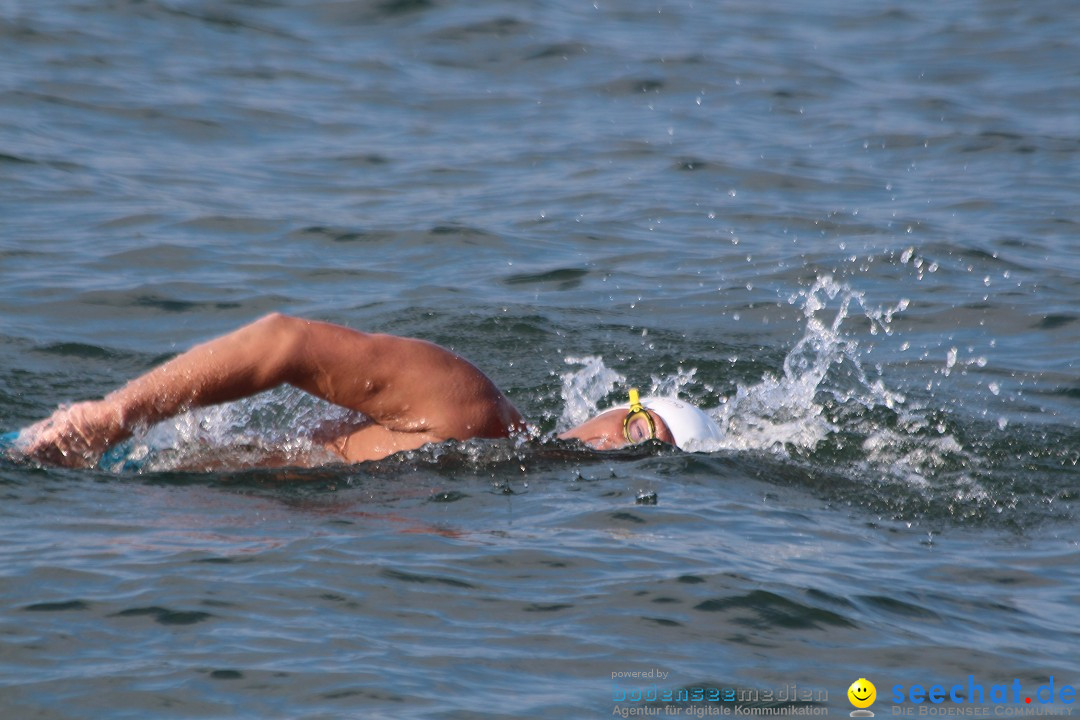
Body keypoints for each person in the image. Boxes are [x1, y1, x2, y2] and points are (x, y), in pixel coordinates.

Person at [11, 313, 723, 468]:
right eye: (636, 423)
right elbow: (282, 341)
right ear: (612, 409)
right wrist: (115, 415)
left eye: (642, 446)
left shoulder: (505, 474)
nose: (622, 446)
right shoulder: (472, 409)